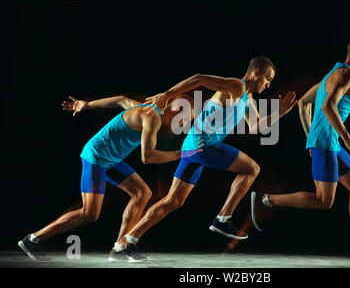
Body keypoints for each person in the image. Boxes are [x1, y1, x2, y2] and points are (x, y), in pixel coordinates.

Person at [117, 56, 298, 255]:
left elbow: (255, 127)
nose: (268, 84)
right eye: (268, 78)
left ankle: (128, 241)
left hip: (192, 147)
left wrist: (281, 111)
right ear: (256, 73)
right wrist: (167, 95)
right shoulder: (236, 86)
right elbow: (199, 78)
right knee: (252, 169)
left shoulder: (248, 98)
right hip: (203, 143)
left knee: (173, 201)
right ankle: (223, 218)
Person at [251, 37, 350, 261]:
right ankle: (265, 199)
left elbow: (303, 104)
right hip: (328, 143)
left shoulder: (332, 73)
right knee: (323, 201)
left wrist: (310, 138)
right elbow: (327, 106)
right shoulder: (348, 74)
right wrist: (346, 138)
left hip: (328, 142)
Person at [18, 94, 195, 262]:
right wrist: (180, 154)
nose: (184, 123)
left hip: (111, 160)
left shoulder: (148, 109)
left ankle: (120, 247)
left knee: (142, 193)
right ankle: (33, 239)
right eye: (184, 119)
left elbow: (121, 100)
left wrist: (87, 105)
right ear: (175, 111)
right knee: (89, 214)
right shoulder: (152, 117)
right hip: (96, 157)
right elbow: (147, 157)